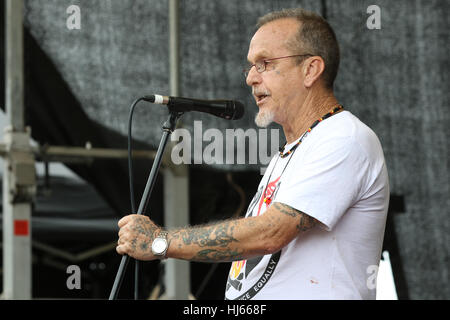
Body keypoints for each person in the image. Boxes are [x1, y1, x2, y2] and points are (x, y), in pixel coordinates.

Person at [116, 8, 389, 300]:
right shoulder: (289, 152)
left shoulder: (343, 138)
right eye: (251, 66)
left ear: (311, 69)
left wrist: (161, 242)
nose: (250, 79)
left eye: (265, 63)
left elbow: (270, 233)